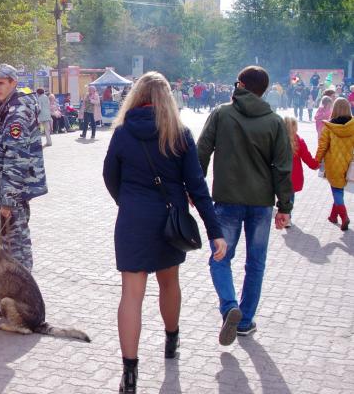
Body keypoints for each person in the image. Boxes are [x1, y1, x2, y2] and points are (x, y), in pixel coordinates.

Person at [103, 71, 226, 394]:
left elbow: (109, 177)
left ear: (136, 95)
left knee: (131, 293)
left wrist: (127, 202)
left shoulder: (122, 133)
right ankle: (172, 340)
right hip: (169, 220)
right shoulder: (180, 134)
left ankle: (129, 374)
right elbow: (197, 187)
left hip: (132, 220)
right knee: (169, 282)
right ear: (168, 98)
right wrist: (215, 232)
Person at [197, 65, 292, 345]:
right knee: (256, 263)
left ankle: (229, 306)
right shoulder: (275, 122)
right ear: (264, 90)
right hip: (261, 204)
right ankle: (246, 320)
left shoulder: (222, 114)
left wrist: (196, 189)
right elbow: (283, 168)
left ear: (240, 84)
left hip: (227, 200)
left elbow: (201, 151)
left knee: (220, 257)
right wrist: (284, 206)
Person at [0, 63, 47, 271]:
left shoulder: (17, 112)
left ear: (14, 82)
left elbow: (15, 157)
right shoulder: (9, 107)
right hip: (10, 190)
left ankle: (22, 297)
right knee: (10, 243)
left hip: (13, 192)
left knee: (16, 247)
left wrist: (8, 199)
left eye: (1, 83)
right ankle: (12, 295)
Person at [315, 97, 354, 231]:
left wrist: (317, 161)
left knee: (337, 190)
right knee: (339, 190)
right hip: (349, 164)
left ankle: (344, 217)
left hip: (334, 164)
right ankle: (333, 216)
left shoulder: (329, 127)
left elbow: (322, 146)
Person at [284, 116, 319, 227]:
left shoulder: (276, 140)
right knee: (290, 196)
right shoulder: (299, 141)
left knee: (282, 195)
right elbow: (307, 158)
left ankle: (283, 213)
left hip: (279, 175)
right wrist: (316, 165)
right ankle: (287, 216)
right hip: (294, 176)